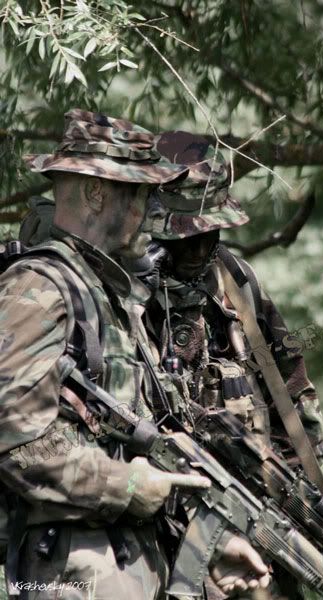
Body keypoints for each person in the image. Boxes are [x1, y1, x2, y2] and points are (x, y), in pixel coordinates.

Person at [0, 110, 270, 600]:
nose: (149, 211)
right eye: (141, 194)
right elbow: (15, 438)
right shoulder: (39, 287)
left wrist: (208, 542)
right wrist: (125, 485)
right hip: (76, 570)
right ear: (96, 191)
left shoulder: (106, 293)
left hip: (126, 564)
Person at [143, 131, 323, 599]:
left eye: (210, 233)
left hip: (256, 505)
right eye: (185, 236)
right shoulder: (129, 290)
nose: (198, 249)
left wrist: (299, 495)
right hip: (164, 514)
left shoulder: (237, 280)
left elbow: (289, 387)